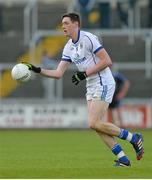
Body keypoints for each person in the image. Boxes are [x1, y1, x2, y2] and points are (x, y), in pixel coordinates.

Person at [22, 13, 144, 167]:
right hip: (91, 84)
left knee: (93, 122)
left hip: (103, 81)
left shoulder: (88, 38)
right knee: (95, 124)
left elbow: (107, 61)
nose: (63, 26)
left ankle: (134, 139)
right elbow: (58, 74)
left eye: (66, 23)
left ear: (76, 24)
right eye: (62, 23)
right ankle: (123, 159)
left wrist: (84, 74)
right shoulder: (68, 47)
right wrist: (36, 69)